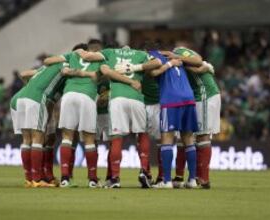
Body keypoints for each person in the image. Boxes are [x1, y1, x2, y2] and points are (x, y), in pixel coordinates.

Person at [77, 46, 161, 188]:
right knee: (142, 134)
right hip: (137, 98)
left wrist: (79, 51)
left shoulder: (110, 52)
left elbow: (89, 58)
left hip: (117, 99)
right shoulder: (140, 54)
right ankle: (145, 172)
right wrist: (135, 67)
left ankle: (115, 178)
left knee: (117, 137)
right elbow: (158, 62)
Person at [44, 43, 102, 188]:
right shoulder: (102, 59)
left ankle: (64, 178)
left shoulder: (73, 55)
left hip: (69, 95)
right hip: (87, 96)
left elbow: (47, 61)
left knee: (67, 137)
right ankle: (93, 180)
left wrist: (67, 68)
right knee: (89, 139)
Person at [164, 46, 221, 189]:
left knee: (202, 135)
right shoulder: (169, 61)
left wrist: (177, 57)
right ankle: (180, 176)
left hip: (204, 95)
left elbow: (198, 61)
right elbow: (200, 67)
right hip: (192, 97)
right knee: (186, 135)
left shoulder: (178, 51)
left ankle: (203, 178)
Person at [148, 47, 202, 189]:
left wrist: (168, 64)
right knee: (188, 139)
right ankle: (192, 180)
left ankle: (166, 181)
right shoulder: (178, 58)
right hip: (189, 99)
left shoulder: (152, 56)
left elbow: (153, 71)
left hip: (171, 99)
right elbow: (198, 62)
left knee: (167, 138)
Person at [15, 62, 67, 187]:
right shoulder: (64, 68)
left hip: (21, 98)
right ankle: (38, 179)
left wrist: (30, 86)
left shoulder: (44, 70)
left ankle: (30, 178)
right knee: (39, 139)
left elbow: (23, 74)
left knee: (28, 139)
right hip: (38, 100)